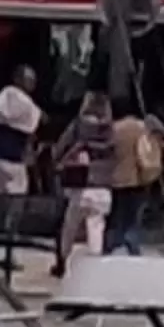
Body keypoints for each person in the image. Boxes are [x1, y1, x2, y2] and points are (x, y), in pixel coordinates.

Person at [52, 88, 116, 272]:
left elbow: (60, 148)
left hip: (80, 184)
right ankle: (95, 267)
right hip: (103, 186)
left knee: (69, 227)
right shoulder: (110, 130)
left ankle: (62, 262)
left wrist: (59, 162)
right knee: (96, 227)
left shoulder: (78, 126)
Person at [105, 95, 164, 255]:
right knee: (133, 215)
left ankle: (112, 243)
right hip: (136, 178)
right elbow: (159, 136)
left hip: (116, 178)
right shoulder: (141, 128)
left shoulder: (113, 129)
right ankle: (131, 243)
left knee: (118, 214)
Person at [0, 64, 42, 198]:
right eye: (29, 79)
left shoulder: (4, 97)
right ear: (17, 79)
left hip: (1, 160)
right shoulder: (28, 107)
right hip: (13, 163)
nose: (33, 83)